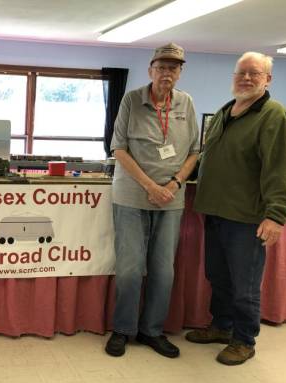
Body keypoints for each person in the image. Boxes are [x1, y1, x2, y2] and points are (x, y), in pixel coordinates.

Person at [186, 52, 286, 365]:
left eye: (254, 73)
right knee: (218, 276)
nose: (246, 78)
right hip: (216, 211)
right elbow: (211, 156)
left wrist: (276, 215)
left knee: (245, 285)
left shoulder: (274, 116)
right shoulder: (225, 110)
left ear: (268, 79)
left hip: (246, 217)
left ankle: (244, 340)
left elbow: (281, 169)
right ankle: (221, 326)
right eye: (241, 72)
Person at [105, 43, 199, 358]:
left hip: (171, 198)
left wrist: (172, 183)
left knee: (163, 270)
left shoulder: (187, 103)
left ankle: (152, 331)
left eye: (173, 68)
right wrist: (149, 184)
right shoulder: (131, 100)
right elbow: (118, 148)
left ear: (181, 72)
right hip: (132, 195)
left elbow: (195, 152)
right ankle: (123, 329)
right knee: (130, 268)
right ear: (150, 70)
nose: (167, 73)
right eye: (161, 67)